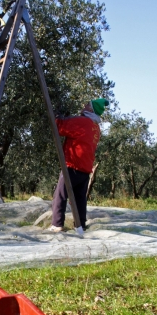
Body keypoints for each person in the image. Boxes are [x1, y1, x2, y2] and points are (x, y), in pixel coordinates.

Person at [50, 98, 109, 232]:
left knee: (60, 195)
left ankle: (57, 225)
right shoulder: (96, 127)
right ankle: (80, 226)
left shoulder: (83, 122)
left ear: (91, 109)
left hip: (73, 165)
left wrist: (58, 117)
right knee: (79, 199)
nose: (84, 106)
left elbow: (60, 127)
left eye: (87, 104)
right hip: (85, 168)